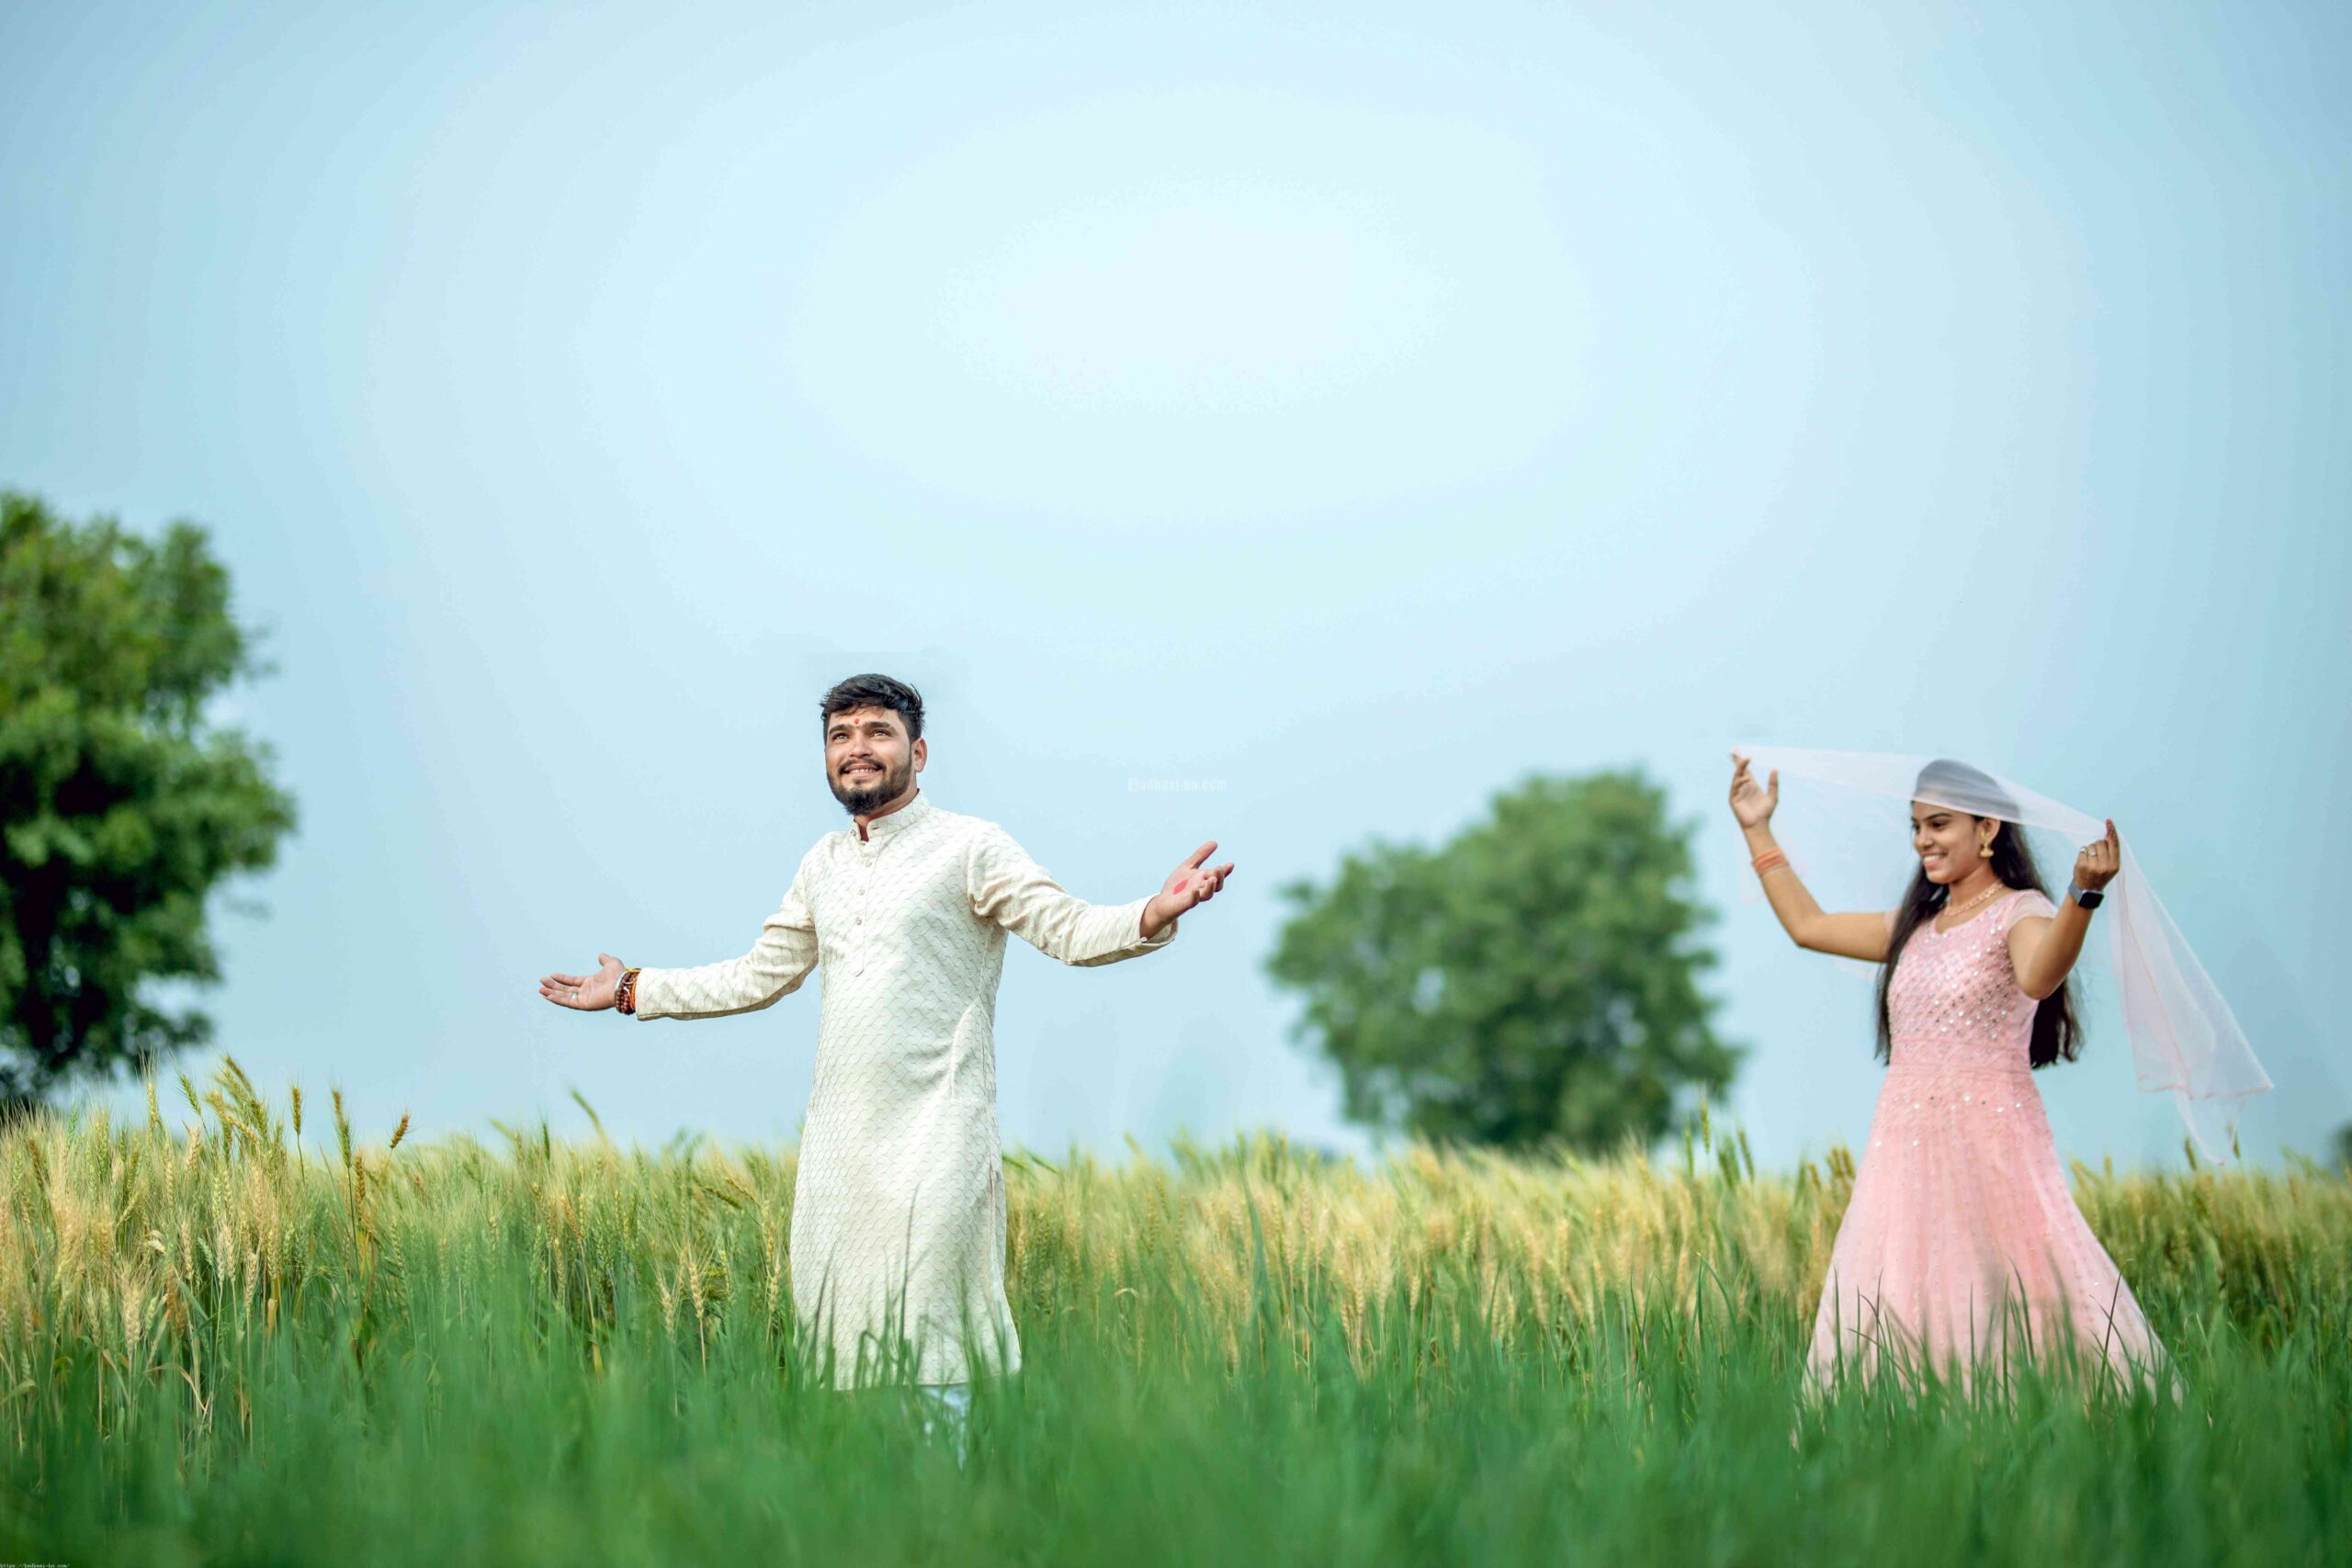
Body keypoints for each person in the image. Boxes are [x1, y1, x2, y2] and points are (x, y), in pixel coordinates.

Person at [538, 673, 1233, 1430]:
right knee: (846, 1364)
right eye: (841, 736)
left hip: (938, 1143)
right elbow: (756, 975)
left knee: (934, 1352)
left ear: (919, 750)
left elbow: (1063, 928)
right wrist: (635, 986)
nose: (857, 749)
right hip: (839, 1162)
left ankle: (938, 1525)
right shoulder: (822, 865)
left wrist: (1152, 911)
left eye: (877, 731)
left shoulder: (970, 847)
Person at [1727, 750, 2162, 1390]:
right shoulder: (1916, 927)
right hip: (1902, 1150)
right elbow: (1808, 925)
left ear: (1987, 830)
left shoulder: (2022, 910)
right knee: (1902, 1296)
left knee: (2011, 1298)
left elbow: (2041, 975)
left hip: (1990, 1147)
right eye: (1916, 826)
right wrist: (1757, 828)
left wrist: (2082, 895)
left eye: (1939, 824)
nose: (1922, 840)